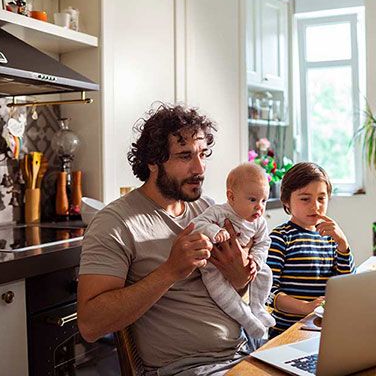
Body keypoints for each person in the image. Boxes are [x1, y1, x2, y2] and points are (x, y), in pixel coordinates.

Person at [77, 102, 261, 375]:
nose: (199, 168)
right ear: (153, 161)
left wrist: (239, 279)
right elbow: (90, 325)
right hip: (189, 369)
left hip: (245, 354)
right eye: (185, 156)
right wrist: (170, 271)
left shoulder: (209, 209)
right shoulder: (115, 223)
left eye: (202, 154)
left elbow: (234, 292)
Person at [266, 162, 356, 338]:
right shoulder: (279, 238)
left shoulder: (331, 238)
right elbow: (268, 293)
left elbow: (347, 286)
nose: (315, 206)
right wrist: (306, 307)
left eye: (321, 198)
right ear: (286, 201)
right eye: (305, 199)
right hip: (286, 334)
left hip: (323, 332)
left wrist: (343, 245)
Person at [191, 163, 275, 339]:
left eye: (264, 200)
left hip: (246, 265)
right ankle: (247, 320)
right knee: (222, 293)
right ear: (231, 196)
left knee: (266, 272)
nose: (259, 207)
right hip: (213, 268)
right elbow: (197, 225)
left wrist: (256, 260)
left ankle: (257, 307)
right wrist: (215, 231)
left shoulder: (259, 222)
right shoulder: (219, 212)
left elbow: (263, 243)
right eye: (253, 200)